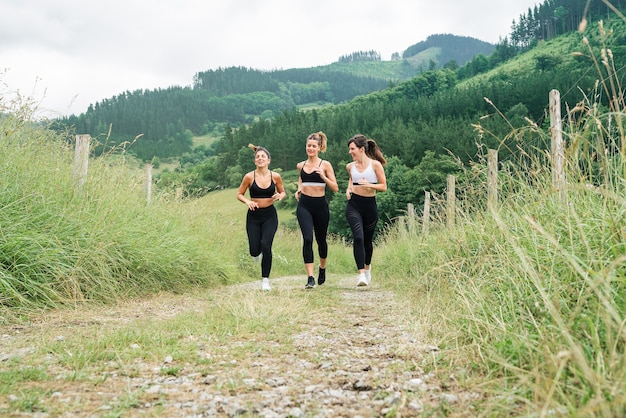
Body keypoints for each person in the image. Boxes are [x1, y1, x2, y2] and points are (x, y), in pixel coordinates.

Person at [237, 144, 286, 291]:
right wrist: (248, 201)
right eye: (257, 157)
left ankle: (265, 280)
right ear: (254, 161)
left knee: (266, 245)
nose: (260, 158)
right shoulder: (249, 177)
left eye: (263, 156)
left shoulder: (275, 176)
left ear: (268, 160)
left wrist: (280, 196)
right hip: (253, 216)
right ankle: (255, 254)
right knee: (254, 250)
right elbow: (239, 194)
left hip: (270, 215)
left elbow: (283, 192)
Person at [295, 132, 338, 289]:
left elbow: (335, 188)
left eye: (314, 146)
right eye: (308, 146)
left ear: (320, 147)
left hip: (320, 206)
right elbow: (301, 179)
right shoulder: (301, 165)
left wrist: (324, 177)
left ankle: (322, 268)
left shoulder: (325, 165)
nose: (310, 148)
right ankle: (310, 277)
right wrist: (299, 189)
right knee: (307, 239)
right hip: (304, 205)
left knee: (321, 240)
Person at [344, 134, 387, 287]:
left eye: (352, 149)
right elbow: (352, 180)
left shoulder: (375, 165)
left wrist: (370, 185)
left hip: (370, 206)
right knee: (358, 238)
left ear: (361, 149)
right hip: (354, 205)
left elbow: (383, 186)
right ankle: (361, 274)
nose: (350, 152)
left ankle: (368, 269)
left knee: (367, 241)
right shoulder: (350, 166)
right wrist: (349, 189)